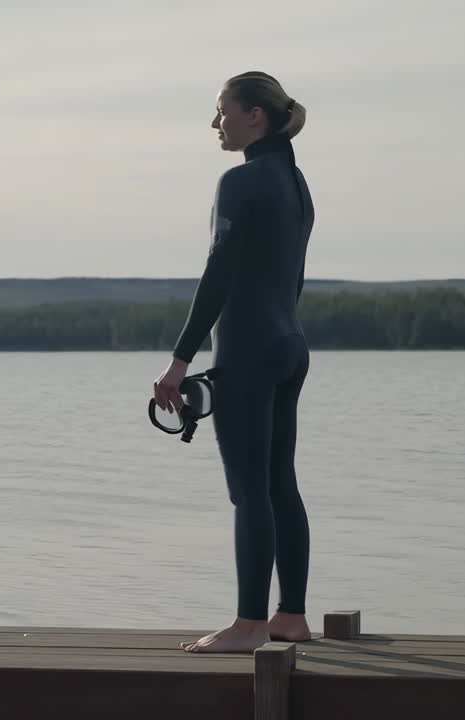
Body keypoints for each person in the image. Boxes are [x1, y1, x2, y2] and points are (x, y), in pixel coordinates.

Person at [151, 71, 315, 653]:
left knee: (250, 492)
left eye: (223, 111)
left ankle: (248, 626)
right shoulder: (297, 186)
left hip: (249, 350)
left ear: (255, 117)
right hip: (291, 346)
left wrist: (179, 360)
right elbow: (290, 278)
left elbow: (219, 271)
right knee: (281, 486)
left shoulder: (240, 180)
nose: (216, 123)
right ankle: (289, 616)